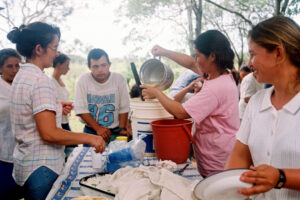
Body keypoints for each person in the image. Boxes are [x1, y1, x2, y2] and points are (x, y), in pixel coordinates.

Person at [7, 22, 106, 200]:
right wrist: (90, 137)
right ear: (39, 49)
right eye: (54, 47)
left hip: (26, 163)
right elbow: (49, 134)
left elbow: (28, 109)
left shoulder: (21, 75)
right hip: (42, 166)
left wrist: (56, 106)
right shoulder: (40, 80)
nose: (57, 52)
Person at [141, 30, 240, 177]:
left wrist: (157, 93)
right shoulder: (218, 73)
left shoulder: (216, 87)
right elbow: (191, 63)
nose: (196, 60)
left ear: (212, 56)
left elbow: (181, 112)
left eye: (198, 55)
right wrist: (163, 51)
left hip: (218, 163)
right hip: (215, 155)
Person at [225, 16, 300, 199]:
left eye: (253, 54)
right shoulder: (257, 102)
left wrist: (280, 177)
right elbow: (240, 155)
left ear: (278, 54)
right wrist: (227, 189)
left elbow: (277, 177)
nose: (249, 64)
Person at [74, 48, 130, 142]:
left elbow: (124, 107)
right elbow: (81, 109)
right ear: (89, 67)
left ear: (109, 64)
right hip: (91, 131)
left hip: (115, 131)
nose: (100, 70)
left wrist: (122, 129)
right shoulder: (83, 80)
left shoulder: (119, 79)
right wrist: (98, 129)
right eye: (95, 66)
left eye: (103, 65)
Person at [0, 48, 23, 200]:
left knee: (20, 192)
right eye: (9, 66)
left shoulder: (22, 86)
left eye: (17, 65)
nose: (14, 70)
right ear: (0, 68)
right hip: (3, 151)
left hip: (23, 150)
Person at [51, 53, 77, 158]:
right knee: (71, 149)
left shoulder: (61, 80)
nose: (68, 68)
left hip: (65, 121)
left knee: (72, 149)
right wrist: (61, 108)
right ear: (58, 64)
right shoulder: (50, 82)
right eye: (67, 65)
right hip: (58, 123)